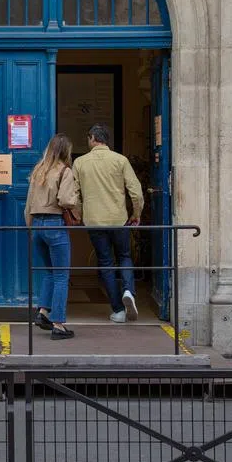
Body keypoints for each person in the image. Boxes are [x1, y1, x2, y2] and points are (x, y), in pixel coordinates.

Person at [72, 123, 144, 323]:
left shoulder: (80, 162)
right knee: (124, 256)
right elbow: (136, 192)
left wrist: (78, 215)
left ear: (93, 138)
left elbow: (74, 194)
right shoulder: (120, 160)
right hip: (118, 219)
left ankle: (118, 310)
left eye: (88, 138)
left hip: (94, 221)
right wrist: (136, 214)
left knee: (105, 262)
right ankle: (129, 290)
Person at [23, 133, 82, 340]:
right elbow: (65, 199)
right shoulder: (64, 171)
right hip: (54, 225)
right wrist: (76, 199)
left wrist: (32, 229)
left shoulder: (39, 170)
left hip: (37, 226)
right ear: (66, 151)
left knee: (49, 272)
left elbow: (28, 205)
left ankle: (42, 313)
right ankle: (58, 324)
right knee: (61, 276)